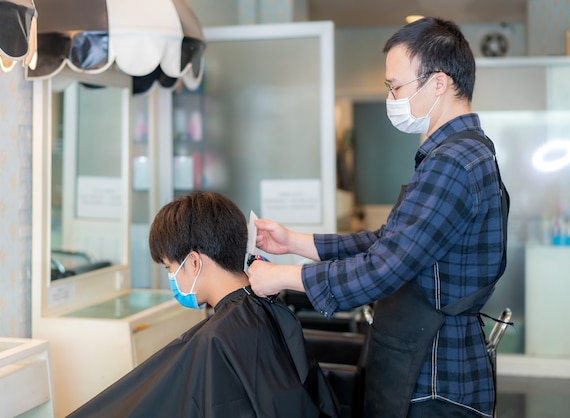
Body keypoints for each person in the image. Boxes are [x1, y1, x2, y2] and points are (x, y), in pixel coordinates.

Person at [248, 17, 509, 418]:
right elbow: (388, 241)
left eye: (395, 86)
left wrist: (282, 277)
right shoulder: (461, 154)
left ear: (438, 83)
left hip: (437, 374)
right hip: (434, 360)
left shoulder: (452, 164)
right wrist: (294, 243)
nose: (391, 97)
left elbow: (384, 267)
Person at [68, 191, 338, 418]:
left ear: (195, 262)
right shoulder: (262, 306)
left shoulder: (218, 339)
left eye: (169, 268)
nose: (172, 279)